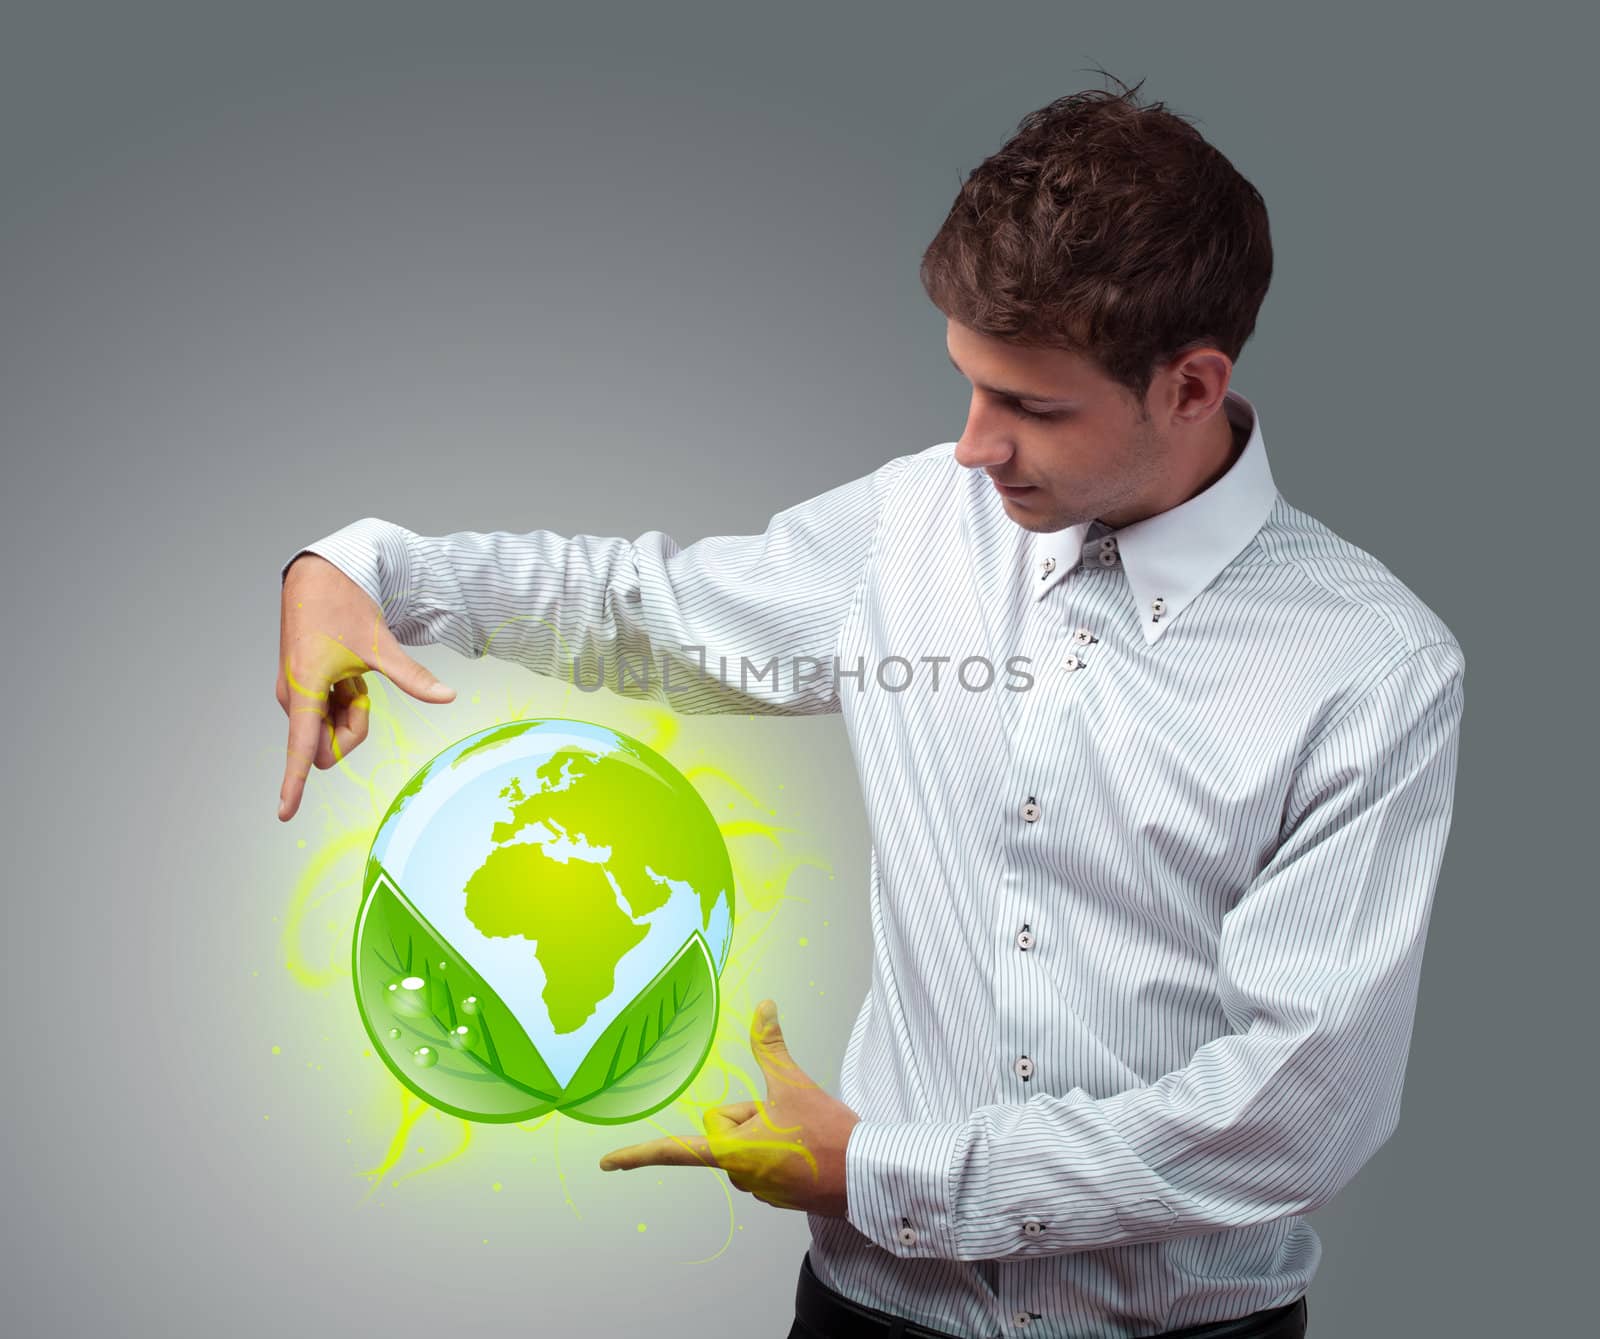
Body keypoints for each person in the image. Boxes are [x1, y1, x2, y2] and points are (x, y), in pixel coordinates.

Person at [275, 75, 1463, 1339]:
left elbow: (1298, 1112)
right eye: (968, 385)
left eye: (1031, 407)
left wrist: (888, 1177)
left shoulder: (1369, 667)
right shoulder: (911, 529)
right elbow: (651, 606)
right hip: (867, 1318)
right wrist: (369, 570)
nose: (973, 447)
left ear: (1189, 384)